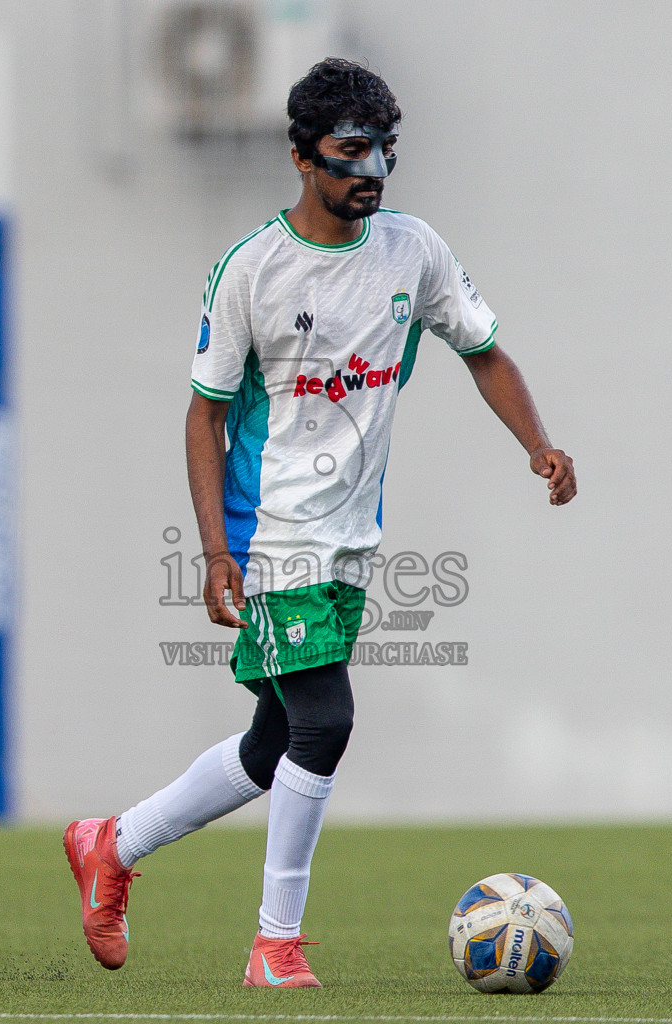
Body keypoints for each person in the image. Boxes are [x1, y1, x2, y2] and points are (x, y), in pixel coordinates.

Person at [64, 57, 576, 989]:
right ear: (302, 157)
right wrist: (216, 547)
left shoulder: (413, 251)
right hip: (270, 541)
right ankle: (275, 944)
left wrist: (538, 445)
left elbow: (484, 351)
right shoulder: (251, 271)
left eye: (386, 148)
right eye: (351, 150)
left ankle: (112, 843)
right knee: (327, 721)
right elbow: (205, 413)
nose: (372, 167)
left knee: (272, 745)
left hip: (349, 546)